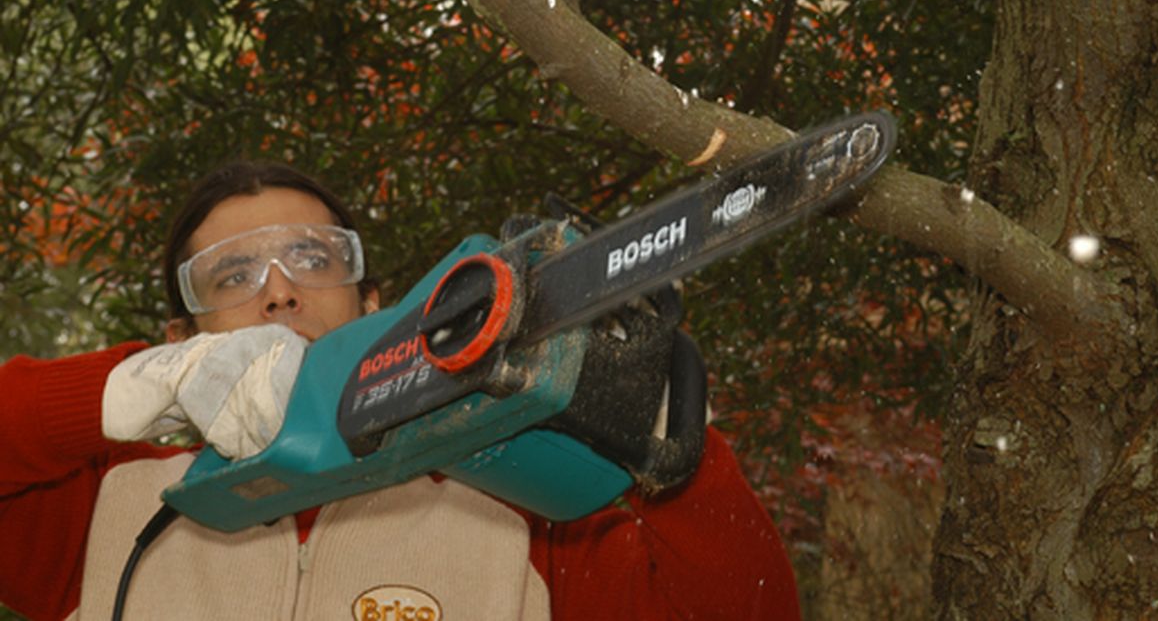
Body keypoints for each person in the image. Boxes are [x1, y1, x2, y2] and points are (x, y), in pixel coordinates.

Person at [0, 160, 801, 620]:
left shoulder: (513, 506)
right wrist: (123, 388)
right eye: (232, 275)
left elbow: (748, 610)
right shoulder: (107, 506)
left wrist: (670, 449)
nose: (278, 293)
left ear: (374, 306)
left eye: (313, 259)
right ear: (182, 337)